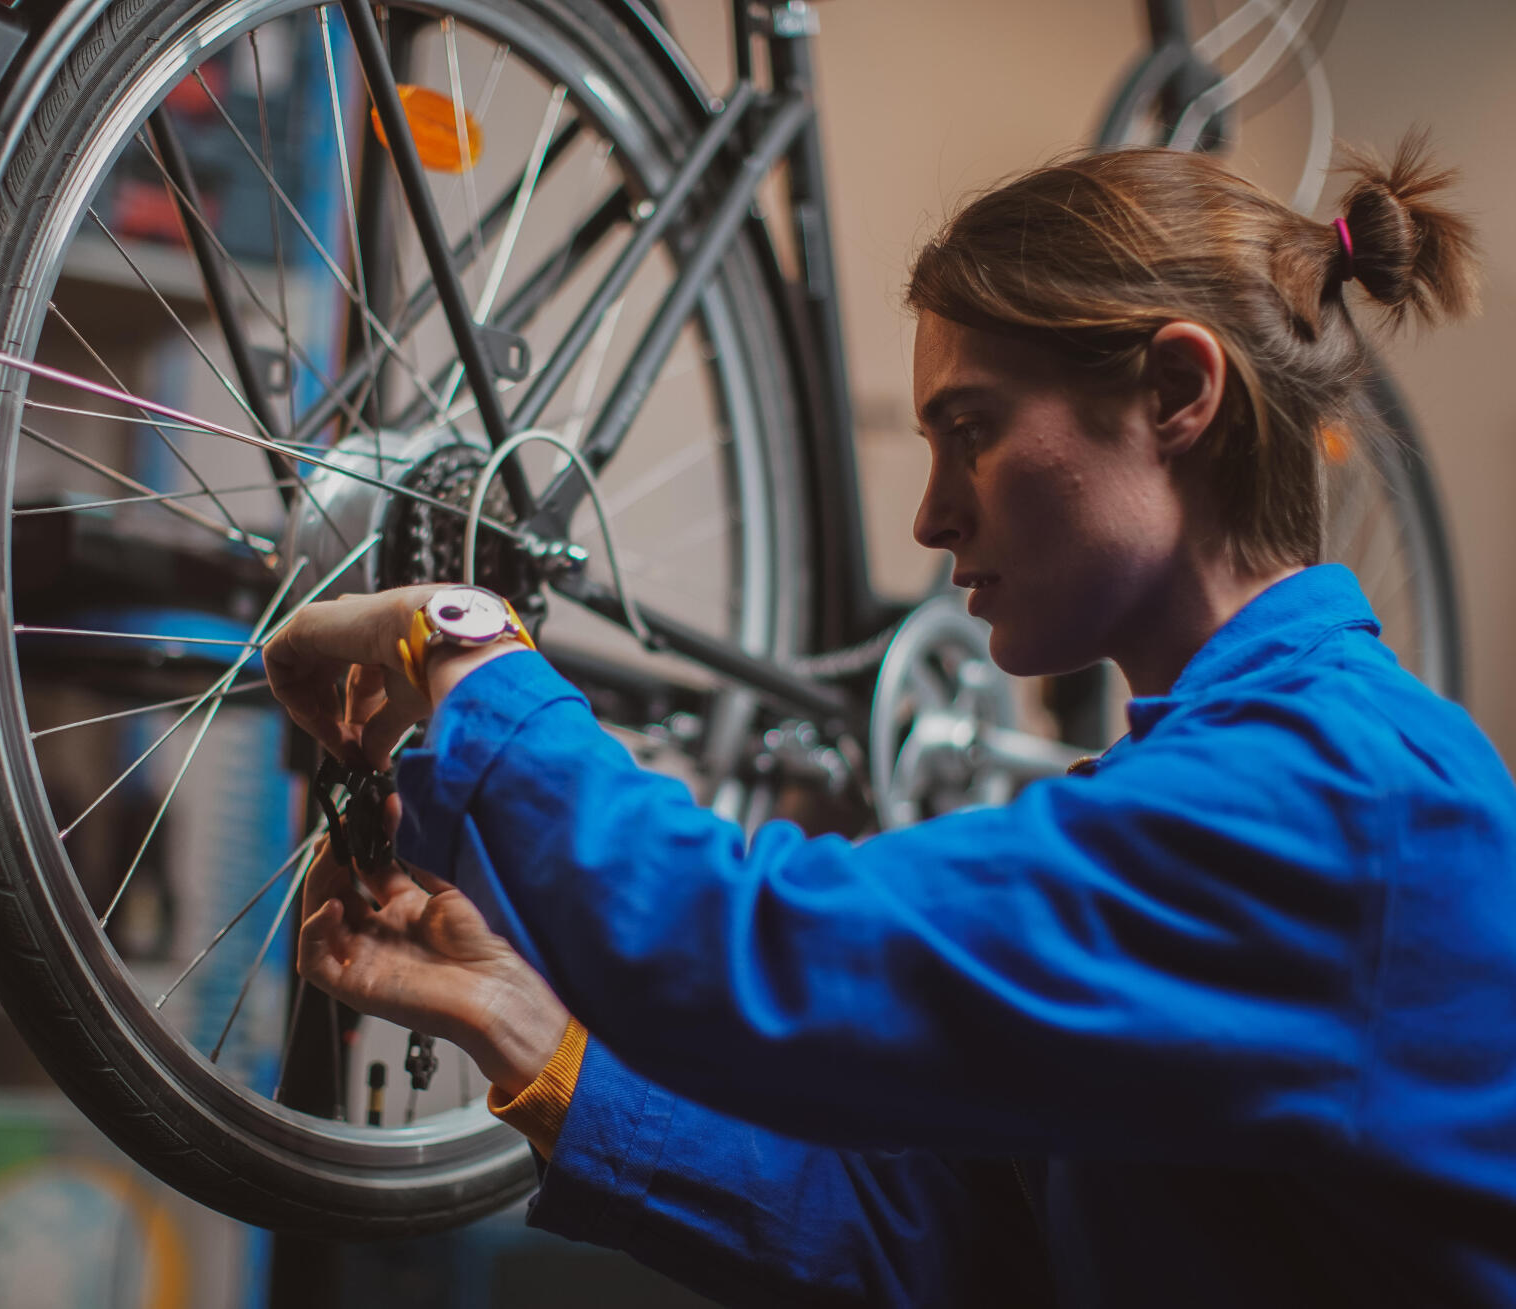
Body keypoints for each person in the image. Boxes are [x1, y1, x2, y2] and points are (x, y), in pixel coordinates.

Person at [264, 134, 1516, 1307]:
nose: (930, 518)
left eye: (969, 432)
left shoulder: (1341, 800)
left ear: (1178, 390)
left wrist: (468, 640)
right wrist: (526, 1033)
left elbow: (763, 945)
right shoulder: (1233, 779)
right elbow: (960, 1244)